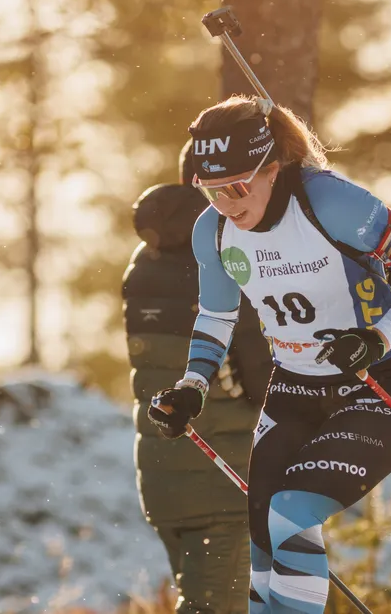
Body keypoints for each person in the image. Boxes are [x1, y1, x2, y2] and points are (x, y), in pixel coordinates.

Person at [147, 96, 391, 614]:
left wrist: (379, 337)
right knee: (265, 539)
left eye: (239, 186)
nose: (226, 202)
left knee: (292, 512)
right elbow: (218, 317)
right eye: (211, 189)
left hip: (381, 383)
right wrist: (191, 386)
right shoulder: (214, 230)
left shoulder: (328, 203)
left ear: (272, 169)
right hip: (293, 390)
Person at [124, 139, 274, 613]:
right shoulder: (228, 254)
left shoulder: (143, 264)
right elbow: (261, 380)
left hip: (166, 475)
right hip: (224, 481)